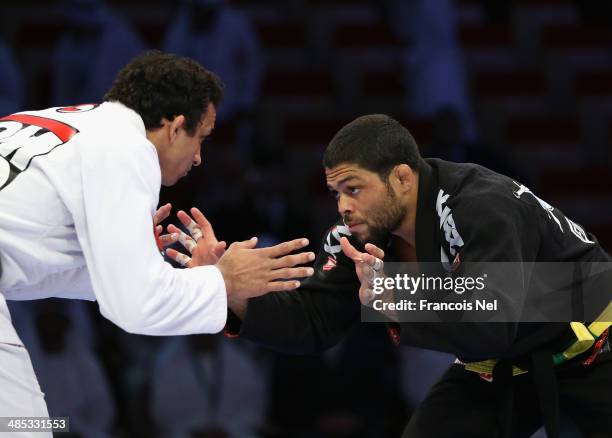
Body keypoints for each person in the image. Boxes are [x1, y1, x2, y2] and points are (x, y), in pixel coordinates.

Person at [191, 115, 610, 437]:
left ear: (402, 178)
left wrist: (397, 295)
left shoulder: (482, 205)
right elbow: (315, 321)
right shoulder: (358, 235)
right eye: (336, 193)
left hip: (595, 346)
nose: (342, 207)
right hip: (501, 366)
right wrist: (227, 291)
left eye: (354, 189)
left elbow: (493, 320)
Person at [0, 50, 314, 428]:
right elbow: (135, 306)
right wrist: (223, 279)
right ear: (175, 127)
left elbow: (22, 263)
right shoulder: (130, 149)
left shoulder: (54, 121)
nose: (199, 158)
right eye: (201, 138)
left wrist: (126, 259)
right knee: (23, 429)